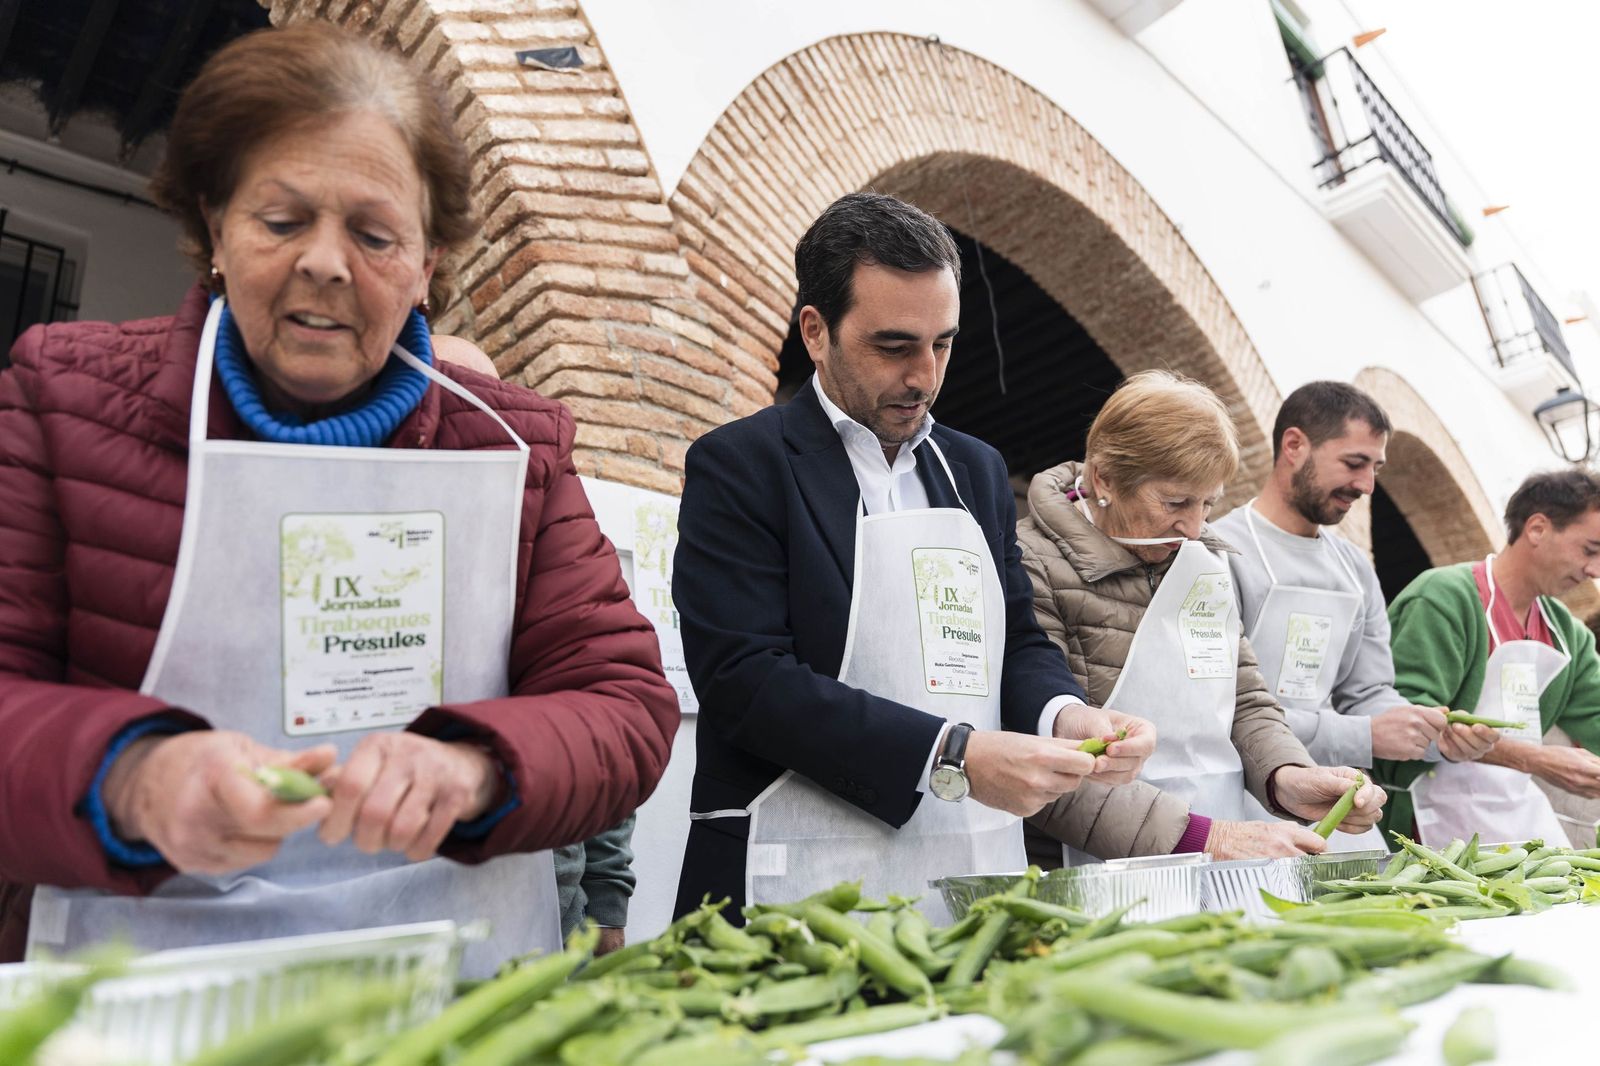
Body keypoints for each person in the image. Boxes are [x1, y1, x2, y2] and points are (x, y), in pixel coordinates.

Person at [0, 24, 678, 975]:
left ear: (428, 264)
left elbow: (624, 703)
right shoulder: (62, 398)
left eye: (373, 234)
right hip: (140, 980)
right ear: (215, 229)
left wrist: (476, 765)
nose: (325, 262)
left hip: (450, 977)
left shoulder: (516, 446)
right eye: (281, 221)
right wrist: (133, 777)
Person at [671, 192, 1156, 921]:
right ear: (815, 331)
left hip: (969, 860)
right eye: (894, 346)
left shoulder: (977, 469)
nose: (925, 376)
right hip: (793, 869)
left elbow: (1014, 639)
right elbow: (744, 681)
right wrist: (951, 752)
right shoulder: (743, 464)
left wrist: (1064, 717)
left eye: (944, 344)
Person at [1019, 371, 1386, 864]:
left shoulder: (1201, 561)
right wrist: (1202, 839)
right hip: (1089, 867)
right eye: (1175, 502)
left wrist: (1289, 778)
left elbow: (1246, 702)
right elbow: (1038, 748)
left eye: (1208, 504)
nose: (1194, 529)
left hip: (1221, 848)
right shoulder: (1030, 563)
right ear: (1104, 479)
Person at [1212, 381, 1496, 849]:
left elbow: (1368, 691)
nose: (1366, 485)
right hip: (1236, 808)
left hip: (1341, 807)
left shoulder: (1354, 568)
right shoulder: (1220, 551)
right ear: (1294, 445)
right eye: (1354, 463)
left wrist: (1430, 736)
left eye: (1375, 468)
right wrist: (1364, 734)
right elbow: (1219, 706)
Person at [1381, 469, 1600, 844]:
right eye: (1589, 550)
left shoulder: (1568, 634)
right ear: (1537, 528)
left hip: (1512, 826)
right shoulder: (1444, 597)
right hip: (1418, 832)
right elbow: (1404, 717)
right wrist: (1535, 759)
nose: (1594, 570)